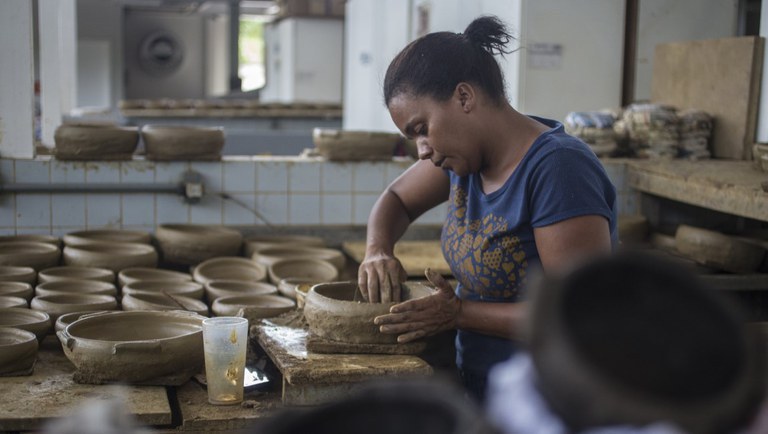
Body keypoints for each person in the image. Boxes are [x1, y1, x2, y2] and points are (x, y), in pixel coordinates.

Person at [357, 15, 618, 403]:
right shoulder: (462, 160)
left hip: (554, 402)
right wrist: (377, 249)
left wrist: (458, 313)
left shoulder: (558, 169)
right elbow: (394, 200)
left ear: (464, 97)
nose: (422, 149)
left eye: (421, 128)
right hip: (485, 387)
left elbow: (580, 315)